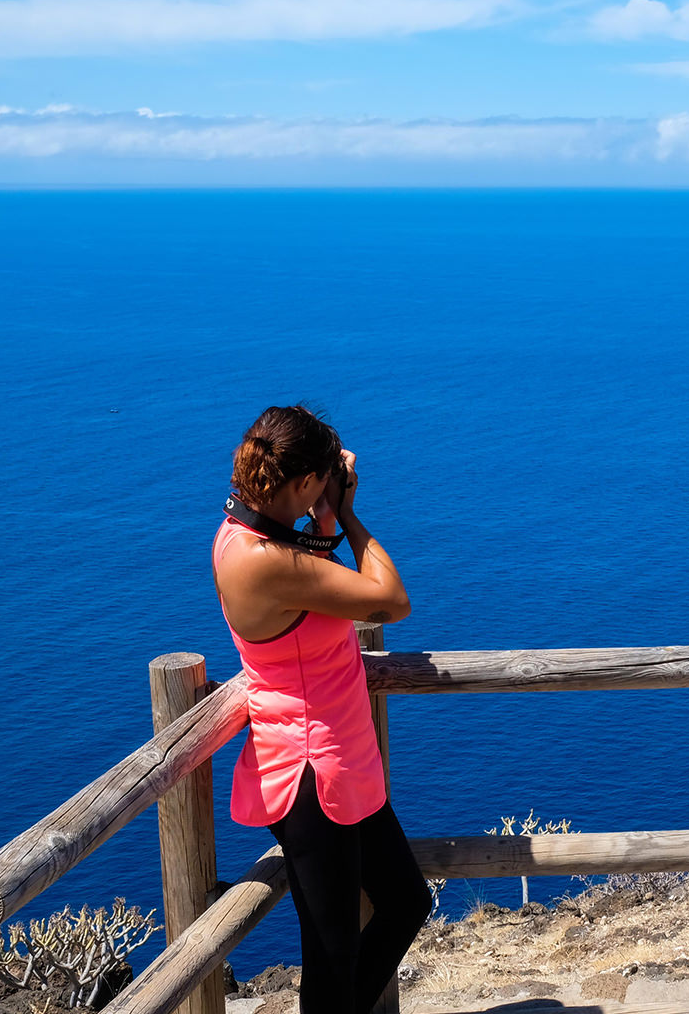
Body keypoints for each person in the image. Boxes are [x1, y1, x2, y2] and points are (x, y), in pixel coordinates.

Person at [211, 404, 431, 1014]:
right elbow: (390, 600)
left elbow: (314, 579)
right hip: (312, 771)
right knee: (332, 951)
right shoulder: (264, 560)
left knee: (406, 902)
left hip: (341, 759)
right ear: (305, 481)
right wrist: (350, 516)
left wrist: (322, 512)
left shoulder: (249, 533)